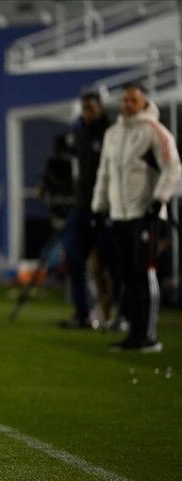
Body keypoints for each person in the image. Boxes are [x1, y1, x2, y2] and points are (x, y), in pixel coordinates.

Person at [91, 83, 181, 352]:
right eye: (125, 100)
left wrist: (159, 200)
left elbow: (173, 166)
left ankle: (149, 336)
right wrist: (98, 207)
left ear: (143, 103)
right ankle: (134, 333)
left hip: (145, 215)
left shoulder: (154, 131)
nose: (128, 105)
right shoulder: (113, 133)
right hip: (120, 214)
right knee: (127, 274)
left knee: (144, 272)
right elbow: (104, 174)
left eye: (133, 100)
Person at [57, 89, 112, 329]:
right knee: (73, 256)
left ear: (100, 107)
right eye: (85, 106)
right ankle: (82, 312)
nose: (87, 110)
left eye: (92, 106)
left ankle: (114, 313)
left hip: (106, 207)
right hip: (81, 207)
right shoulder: (77, 133)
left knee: (109, 264)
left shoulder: (111, 133)